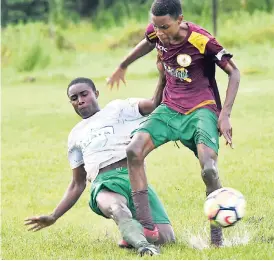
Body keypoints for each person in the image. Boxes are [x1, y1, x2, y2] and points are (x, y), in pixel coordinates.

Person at [107, 0, 240, 247]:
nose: (160, 33)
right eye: (156, 27)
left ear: (180, 20)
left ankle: (216, 237)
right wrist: (122, 65)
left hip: (201, 109)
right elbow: (147, 43)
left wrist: (225, 115)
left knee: (209, 169)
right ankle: (148, 229)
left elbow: (234, 72)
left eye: (165, 27)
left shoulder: (202, 40)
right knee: (133, 151)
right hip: (169, 109)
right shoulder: (156, 32)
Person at [24, 76, 175, 257]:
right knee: (117, 208)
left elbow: (153, 104)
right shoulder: (75, 135)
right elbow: (77, 183)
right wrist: (53, 216)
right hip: (104, 183)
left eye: (84, 94)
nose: (80, 101)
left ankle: (131, 234)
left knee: (167, 239)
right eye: (74, 98)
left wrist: (163, 75)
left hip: (135, 179)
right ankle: (143, 246)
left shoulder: (118, 108)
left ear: (96, 93)